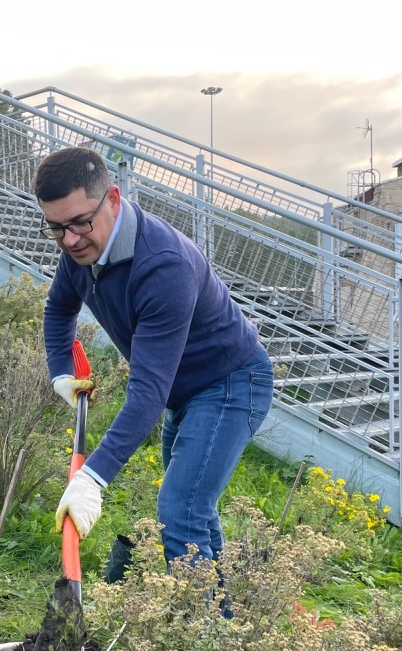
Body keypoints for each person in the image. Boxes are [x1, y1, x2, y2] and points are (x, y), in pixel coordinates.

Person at [35, 146, 274, 567]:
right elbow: (59, 309)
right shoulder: (80, 250)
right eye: (55, 228)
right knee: (191, 511)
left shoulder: (163, 266)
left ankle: (202, 631)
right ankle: (225, 621)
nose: (70, 239)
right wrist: (60, 372)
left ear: (112, 199)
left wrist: (92, 477)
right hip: (183, 394)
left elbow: (147, 392)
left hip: (230, 382)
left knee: (181, 513)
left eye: (79, 223)